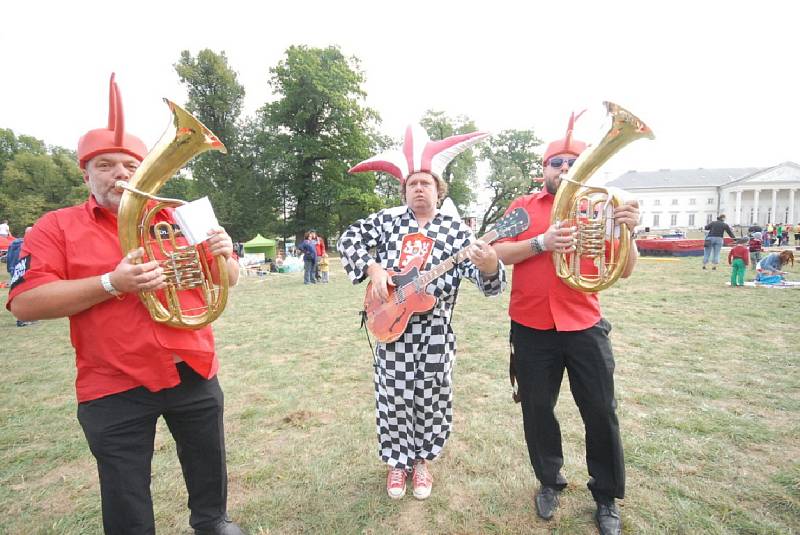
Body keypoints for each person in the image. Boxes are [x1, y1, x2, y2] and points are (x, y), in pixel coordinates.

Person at [6, 74, 245, 535]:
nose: (120, 175)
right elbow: (24, 303)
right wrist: (111, 283)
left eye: (129, 165)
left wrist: (223, 255)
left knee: (208, 466)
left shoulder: (181, 213)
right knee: (125, 490)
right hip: (112, 381)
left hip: (191, 365)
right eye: (105, 166)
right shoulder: (54, 226)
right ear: (86, 173)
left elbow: (228, 279)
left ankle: (213, 522)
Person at [493, 111, 640, 535]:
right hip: (531, 326)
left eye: (571, 163)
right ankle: (549, 480)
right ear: (544, 169)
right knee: (538, 410)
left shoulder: (604, 206)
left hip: (584, 325)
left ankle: (606, 495)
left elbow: (625, 269)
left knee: (600, 411)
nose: (563, 168)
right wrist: (542, 243)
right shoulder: (522, 207)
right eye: (556, 162)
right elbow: (498, 253)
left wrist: (630, 233)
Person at [338, 124, 503, 501]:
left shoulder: (457, 231)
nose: (418, 188)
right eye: (412, 183)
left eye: (425, 182)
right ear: (405, 190)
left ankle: (422, 462)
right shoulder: (387, 221)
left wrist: (490, 263)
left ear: (438, 189)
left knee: (431, 396)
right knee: (392, 395)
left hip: (434, 331)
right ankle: (397, 463)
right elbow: (349, 239)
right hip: (392, 325)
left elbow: (484, 280)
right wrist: (374, 268)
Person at [6, 227, 35, 326]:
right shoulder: (27, 245)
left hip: (14, 271)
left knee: (19, 295)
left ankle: (27, 317)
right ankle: (22, 320)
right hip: (23, 273)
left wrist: (10, 269)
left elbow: (8, 258)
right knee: (24, 295)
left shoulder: (14, 244)